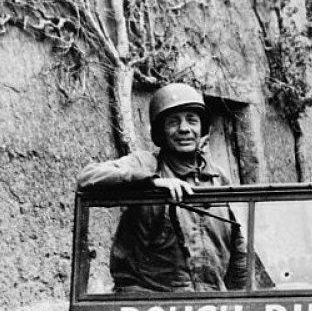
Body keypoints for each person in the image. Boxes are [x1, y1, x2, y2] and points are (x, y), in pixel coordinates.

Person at [78, 83, 247, 293]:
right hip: (150, 309)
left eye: (192, 120)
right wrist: (151, 181)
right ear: (160, 132)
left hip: (208, 308)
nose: (184, 128)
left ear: (202, 129)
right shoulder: (146, 164)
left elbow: (239, 247)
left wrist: (241, 302)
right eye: (173, 122)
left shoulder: (218, 178)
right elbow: (88, 177)